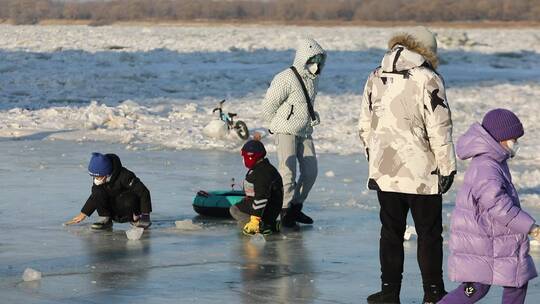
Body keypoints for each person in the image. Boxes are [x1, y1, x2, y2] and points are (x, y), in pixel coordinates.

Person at [358, 27, 457, 304]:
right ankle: (434, 293)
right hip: (422, 172)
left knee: (390, 232)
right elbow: (440, 127)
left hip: (385, 170)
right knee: (428, 234)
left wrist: (375, 156)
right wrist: (447, 166)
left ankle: (389, 291)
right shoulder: (428, 78)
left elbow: (365, 124)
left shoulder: (375, 75)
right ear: (427, 50)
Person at [439, 109, 539, 304]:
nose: (516, 144)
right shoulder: (487, 166)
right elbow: (498, 205)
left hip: (498, 237)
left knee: (517, 281)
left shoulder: (495, 160)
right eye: (513, 139)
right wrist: (531, 228)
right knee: (476, 288)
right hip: (483, 239)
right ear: (499, 138)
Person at [261, 37, 326, 228]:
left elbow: (304, 104)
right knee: (287, 172)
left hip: (305, 131)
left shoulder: (313, 80)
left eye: (320, 60)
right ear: (303, 58)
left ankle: (296, 207)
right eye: (313, 60)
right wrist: (275, 125)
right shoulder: (285, 78)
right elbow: (268, 106)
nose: (317, 64)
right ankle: (284, 211)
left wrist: (311, 116)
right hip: (285, 130)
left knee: (310, 172)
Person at [65, 152, 152, 229]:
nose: (96, 179)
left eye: (98, 177)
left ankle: (136, 218)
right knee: (97, 191)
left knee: (130, 198)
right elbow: (95, 196)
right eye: (94, 177)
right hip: (113, 211)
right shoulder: (99, 179)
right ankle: (105, 218)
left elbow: (144, 192)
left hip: (128, 210)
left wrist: (145, 216)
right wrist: (84, 213)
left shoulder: (125, 176)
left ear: (107, 173)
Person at [230, 139, 283, 235]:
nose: (243, 160)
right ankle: (270, 224)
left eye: (244, 156)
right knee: (242, 204)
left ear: (251, 156)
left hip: (267, 208)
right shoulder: (262, 167)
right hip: (271, 208)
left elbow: (261, 197)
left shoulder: (261, 173)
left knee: (234, 209)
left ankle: (258, 227)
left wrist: (255, 220)